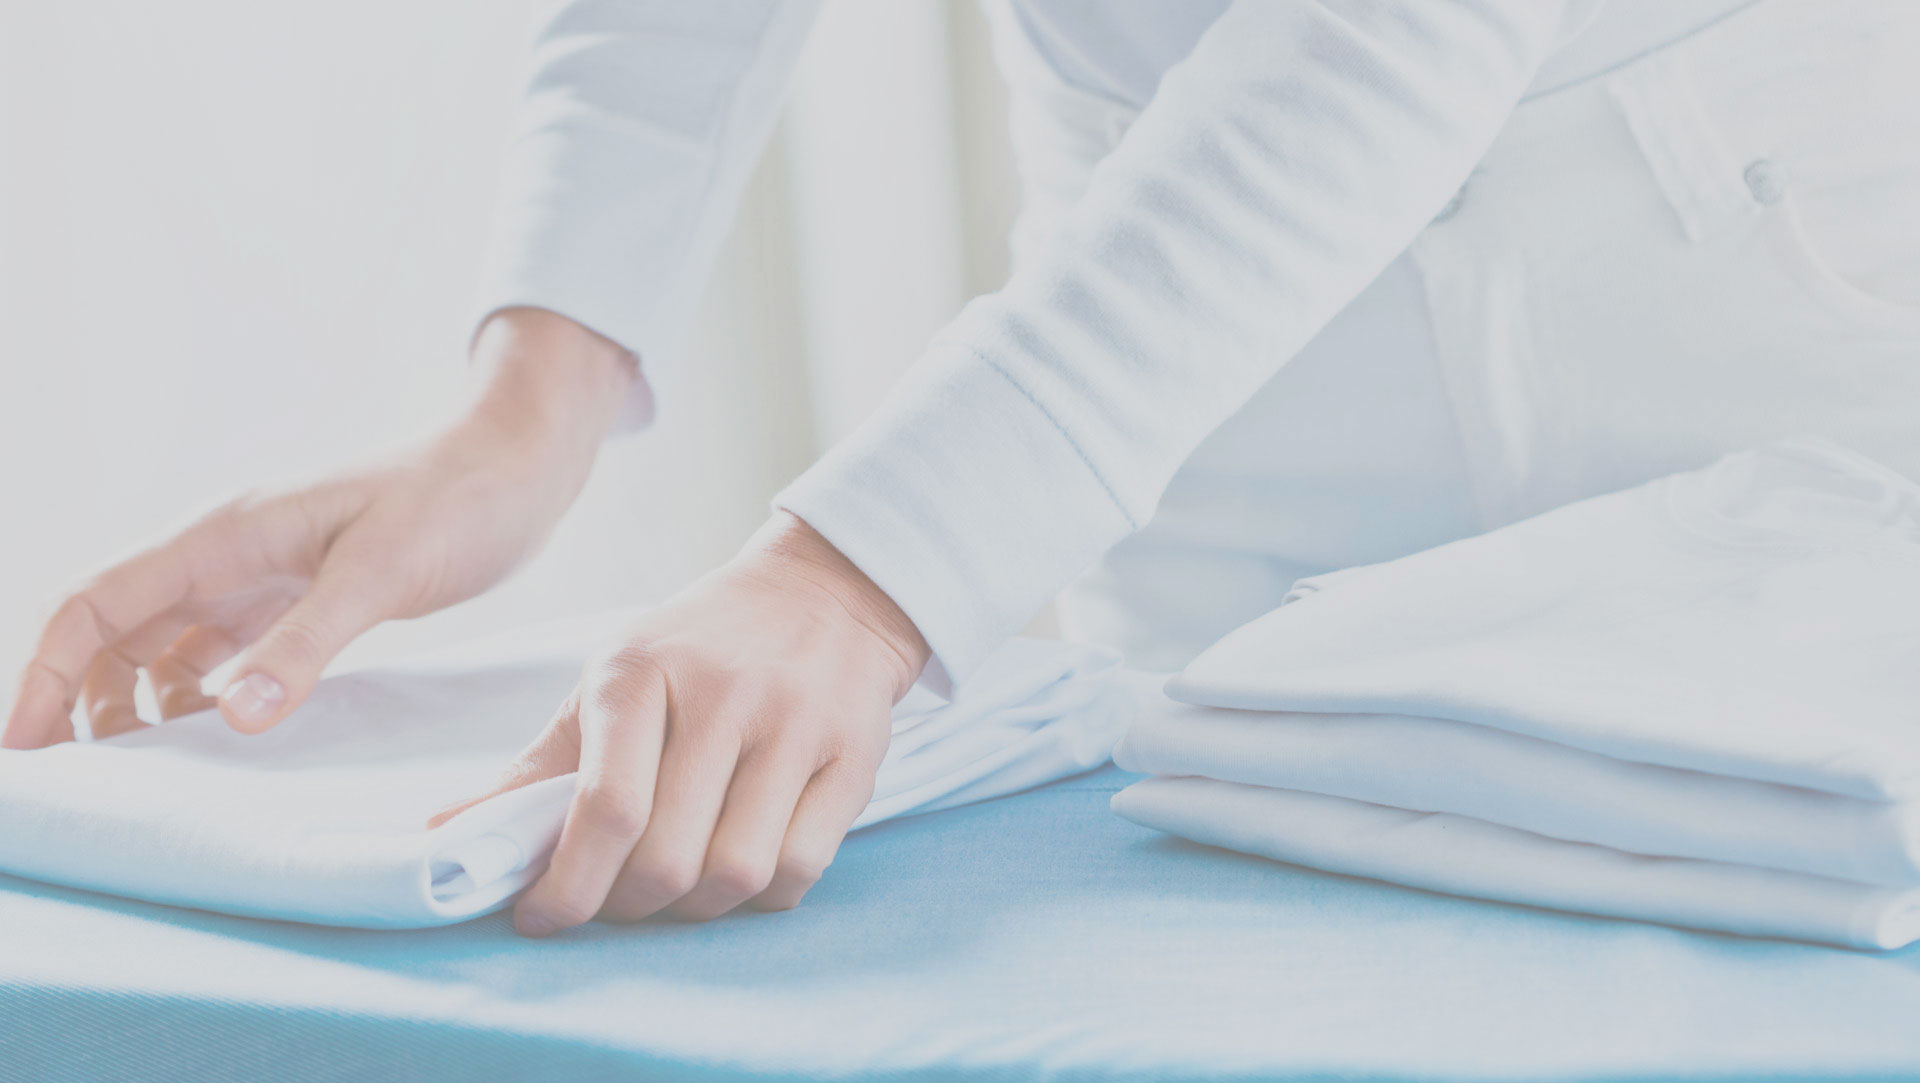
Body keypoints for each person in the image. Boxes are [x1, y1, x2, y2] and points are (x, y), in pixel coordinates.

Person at [8, 0, 1918, 937]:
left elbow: (1384, 28)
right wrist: (531, 400)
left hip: (1709, 344)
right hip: (1195, 403)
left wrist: (862, 576)